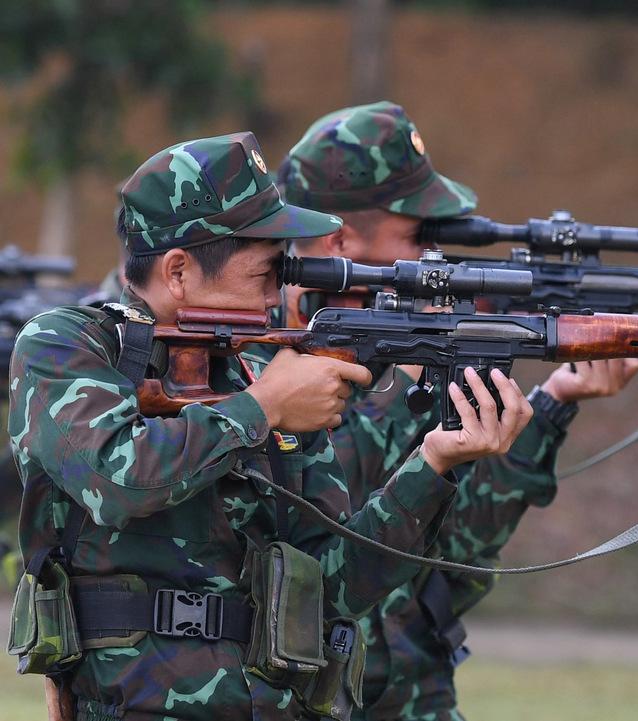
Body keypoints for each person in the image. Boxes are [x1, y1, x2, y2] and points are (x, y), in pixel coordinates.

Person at [7, 131, 532, 721]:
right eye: (265, 269)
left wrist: (434, 465)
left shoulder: (262, 369)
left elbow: (334, 586)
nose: (283, 282)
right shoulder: (67, 345)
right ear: (179, 271)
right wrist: (262, 409)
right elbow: (118, 480)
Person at [277, 101, 638, 720]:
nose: (436, 249)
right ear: (340, 239)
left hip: (410, 689)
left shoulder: (397, 326)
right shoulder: (254, 352)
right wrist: (410, 391)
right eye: (422, 232)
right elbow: (327, 513)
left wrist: (553, 404)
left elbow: (461, 542)